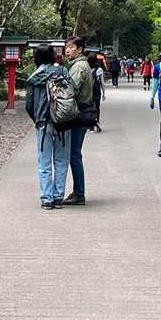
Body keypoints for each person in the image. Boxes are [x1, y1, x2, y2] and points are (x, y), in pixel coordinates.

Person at [25, 45, 72, 209]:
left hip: (43, 123)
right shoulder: (63, 72)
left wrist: (37, 119)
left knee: (44, 162)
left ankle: (47, 199)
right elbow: (73, 92)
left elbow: (29, 104)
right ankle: (58, 197)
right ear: (53, 57)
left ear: (37, 58)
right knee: (61, 161)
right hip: (63, 122)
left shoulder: (34, 77)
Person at [64, 37, 96, 204]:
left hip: (78, 114)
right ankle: (78, 191)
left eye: (71, 47)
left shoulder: (78, 67)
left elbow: (70, 90)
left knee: (74, 153)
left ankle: (79, 193)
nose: (67, 50)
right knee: (74, 153)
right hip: (83, 113)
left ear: (80, 49)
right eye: (66, 47)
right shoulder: (81, 65)